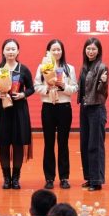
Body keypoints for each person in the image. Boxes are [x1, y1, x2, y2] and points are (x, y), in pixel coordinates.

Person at [0, 38, 34, 190]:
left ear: (18, 51)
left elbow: (31, 88)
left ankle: (16, 178)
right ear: (3, 51)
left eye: (13, 49)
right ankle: (6, 178)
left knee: (18, 144)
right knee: (3, 144)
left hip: (19, 110)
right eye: (8, 49)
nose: (11, 52)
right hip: (2, 110)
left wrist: (23, 94)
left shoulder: (23, 69)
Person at [34, 39, 78, 190]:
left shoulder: (69, 68)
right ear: (48, 52)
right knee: (49, 143)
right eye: (53, 50)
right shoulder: (42, 67)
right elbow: (36, 86)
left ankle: (64, 177)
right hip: (48, 107)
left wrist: (63, 86)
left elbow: (75, 88)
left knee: (63, 143)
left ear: (62, 51)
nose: (57, 52)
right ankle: (49, 178)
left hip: (64, 107)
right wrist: (47, 88)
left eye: (59, 49)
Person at [78, 38, 108, 191]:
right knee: (84, 144)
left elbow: (103, 92)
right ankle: (89, 178)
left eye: (94, 49)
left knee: (95, 145)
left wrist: (103, 82)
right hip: (84, 108)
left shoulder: (102, 67)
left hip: (96, 108)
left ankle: (97, 181)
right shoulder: (84, 67)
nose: (91, 51)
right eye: (88, 48)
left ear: (98, 51)